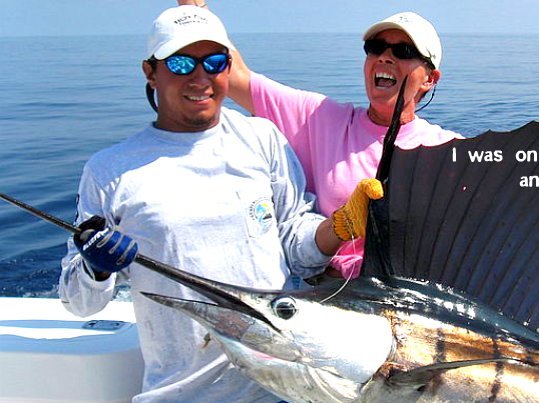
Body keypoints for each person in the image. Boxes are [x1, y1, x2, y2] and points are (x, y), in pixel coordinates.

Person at [58, 5, 377, 401]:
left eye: (215, 61)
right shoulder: (109, 171)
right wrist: (95, 270)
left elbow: (295, 247)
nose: (200, 77)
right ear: (150, 72)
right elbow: (78, 303)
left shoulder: (263, 139)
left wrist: (336, 228)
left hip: (287, 389)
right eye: (180, 63)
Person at [180, 1, 461, 279]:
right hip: (332, 292)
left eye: (403, 51)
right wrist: (194, 7)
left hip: (412, 299)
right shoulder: (320, 118)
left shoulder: (452, 151)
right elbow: (236, 77)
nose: (385, 57)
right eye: (375, 48)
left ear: (430, 79)